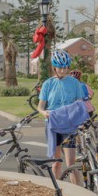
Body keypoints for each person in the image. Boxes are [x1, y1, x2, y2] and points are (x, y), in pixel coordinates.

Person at [37, 49, 85, 181]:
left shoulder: (75, 83)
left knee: (71, 164)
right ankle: (57, 189)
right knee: (56, 162)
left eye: (65, 68)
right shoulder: (48, 84)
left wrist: (79, 121)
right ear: (54, 67)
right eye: (60, 68)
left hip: (69, 125)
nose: (63, 71)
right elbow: (40, 107)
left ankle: (77, 191)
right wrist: (44, 113)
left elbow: (80, 104)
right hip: (53, 125)